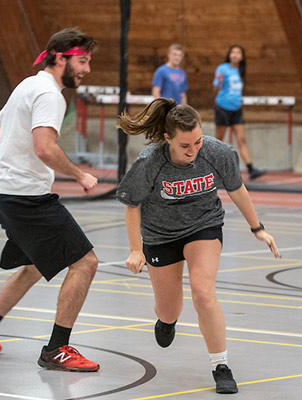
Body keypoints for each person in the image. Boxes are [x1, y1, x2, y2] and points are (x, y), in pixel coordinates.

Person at [116, 98, 280, 394]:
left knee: (203, 292)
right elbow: (132, 204)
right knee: (169, 308)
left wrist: (258, 229)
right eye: (185, 146)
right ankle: (167, 321)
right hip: (160, 234)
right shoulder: (150, 162)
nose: (193, 151)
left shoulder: (217, 152)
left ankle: (221, 365)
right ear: (167, 139)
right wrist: (136, 249)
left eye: (197, 142)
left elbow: (237, 189)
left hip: (203, 226)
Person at [0, 27, 101, 372]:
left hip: (1, 195)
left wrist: (1, 174)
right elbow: (44, 148)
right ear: (59, 57)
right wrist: (80, 174)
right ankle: (57, 349)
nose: (86, 69)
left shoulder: (27, 84)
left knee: (34, 267)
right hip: (26, 199)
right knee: (85, 263)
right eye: (82, 61)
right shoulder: (50, 94)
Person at [212, 44, 261, 180]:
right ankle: (212, 169)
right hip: (223, 107)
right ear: (229, 55)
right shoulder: (222, 69)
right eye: (232, 52)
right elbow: (215, 89)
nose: (234, 55)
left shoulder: (241, 71)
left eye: (238, 53)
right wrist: (218, 83)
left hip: (237, 109)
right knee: (219, 141)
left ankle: (251, 169)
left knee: (242, 139)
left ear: (242, 57)